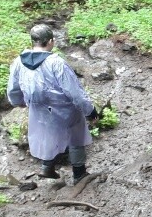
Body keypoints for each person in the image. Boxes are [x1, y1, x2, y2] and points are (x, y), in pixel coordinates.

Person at [6, 24, 97, 184]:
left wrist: (18, 102)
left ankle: (46, 167)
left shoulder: (19, 61)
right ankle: (79, 174)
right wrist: (90, 111)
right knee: (76, 136)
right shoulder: (56, 63)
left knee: (47, 134)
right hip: (63, 108)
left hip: (37, 108)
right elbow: (75, 93)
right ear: (50, 41)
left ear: (33, 41)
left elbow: (13, 88)